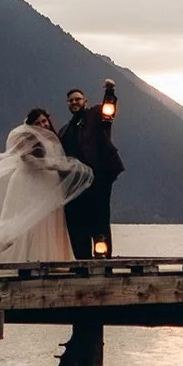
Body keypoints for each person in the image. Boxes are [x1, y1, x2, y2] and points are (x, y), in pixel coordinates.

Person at [0, 108, 93, 263]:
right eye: (38, 122)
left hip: (49, 185)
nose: (42, 124)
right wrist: (51, 165)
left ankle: (53, 259)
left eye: (44, 121)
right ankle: (30, 259)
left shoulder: (53, 139)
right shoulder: (26, 139)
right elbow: (26, 160)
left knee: (49, 222)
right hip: (32, 185)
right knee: (32, 222)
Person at [59, 80, 125, 258]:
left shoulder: (96, 116)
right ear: (67, 104)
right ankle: (82, 262)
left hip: (99, 178)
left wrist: (110, 91)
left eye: (77, 99)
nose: (74, 102)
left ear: (85, 101)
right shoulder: (65, 131)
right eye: (71, 100)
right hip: (75, 185)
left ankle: (102, 260)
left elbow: (108, 111)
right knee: (76, 221)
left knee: (100, 219)